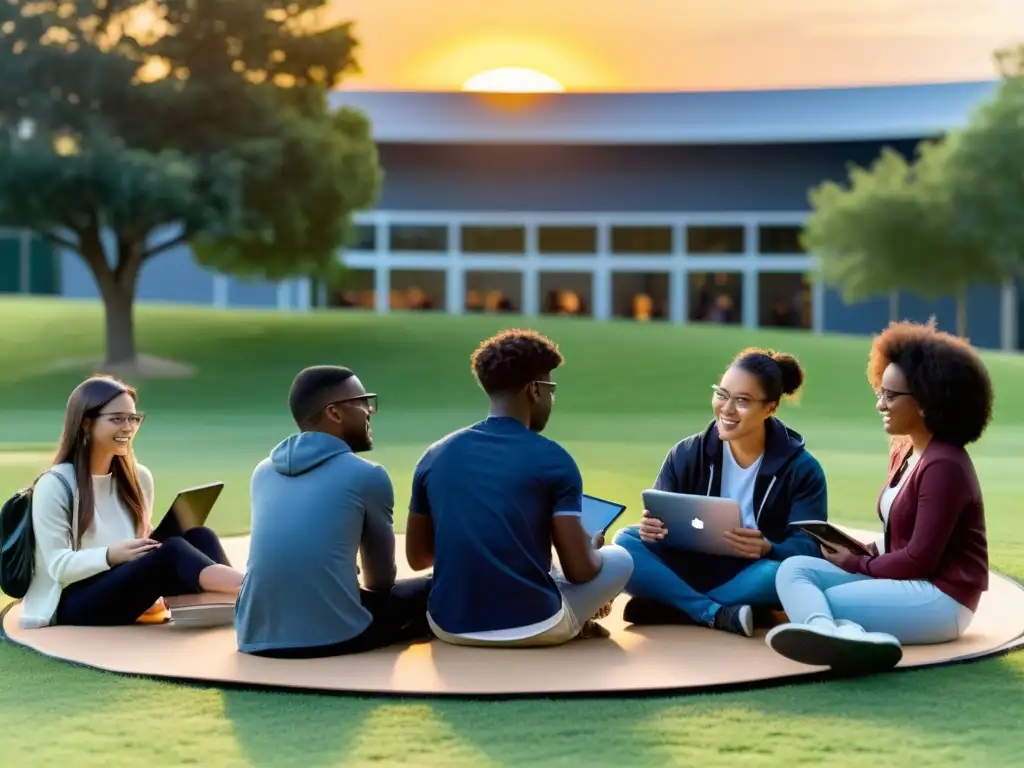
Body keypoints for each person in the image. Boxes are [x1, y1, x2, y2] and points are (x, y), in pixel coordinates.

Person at [766, 321, 992, 675]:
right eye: (879, 392)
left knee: (826, 600)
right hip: (904, 581)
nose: (880, 405)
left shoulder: (944, 464)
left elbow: (919, 560)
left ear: (925, 402)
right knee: (793, 571)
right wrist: (863, 550)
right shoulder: (906, 450)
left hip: (942, 598)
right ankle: (835, 634)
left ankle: (837, 632)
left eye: (890, 396)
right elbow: (900, 540)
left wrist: (854, 563)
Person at [405, 329, 634, 647]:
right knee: (621, 557)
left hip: (448, 625)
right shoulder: (554, 459)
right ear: (535, 390)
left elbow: (418, 558)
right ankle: (577, 618)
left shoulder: (434, 455)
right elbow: (580, 571)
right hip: (535, 626)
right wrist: (589, 549)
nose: (552, 400)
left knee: (549, 568)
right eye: (552, 390)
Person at [613, 348, 828, 637]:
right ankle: (712, 612)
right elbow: (660, 513)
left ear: (770, 408)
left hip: (751, 572)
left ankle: (673, 604)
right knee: (626, 542)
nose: (726, 409)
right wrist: (652, 528)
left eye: (742, 401)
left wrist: (768, 547)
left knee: (782, 577)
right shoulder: (687, 453)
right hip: (689, 566)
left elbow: (809, 548)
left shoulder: (802, 469)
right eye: (722, 394)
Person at [234, 365, 433, 658]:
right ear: (335, 413)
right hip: (335, 636)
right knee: (439, 586)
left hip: (254, 637)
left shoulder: (263, 472)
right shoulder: (367, 475)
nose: (369, 412)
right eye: (363, 402)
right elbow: (379, 582)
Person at [20, 375, 242, 629]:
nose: (128, 427)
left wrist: (147, 543)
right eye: (117, 419)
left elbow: (140, 539)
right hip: (72, 602)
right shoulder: (55, 485)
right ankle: (254, 591)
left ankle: (230, 607)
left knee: (201, 536)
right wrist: (110, 555)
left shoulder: (139, 478)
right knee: (172, 552)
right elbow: (58, 566)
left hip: (119, 585)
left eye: (133, 418)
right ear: (85, 423)